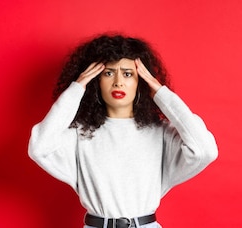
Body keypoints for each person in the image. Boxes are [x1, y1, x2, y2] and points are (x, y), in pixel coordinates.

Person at [28, 33, 218, 228]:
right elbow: (39, 148)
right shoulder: (80, 133)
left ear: (140, 81)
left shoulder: (161, 133)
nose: (118, 82)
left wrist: (162, 94)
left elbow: (205, 150)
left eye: (127, 74)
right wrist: (76, 89)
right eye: (108, 73)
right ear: (96, 81)